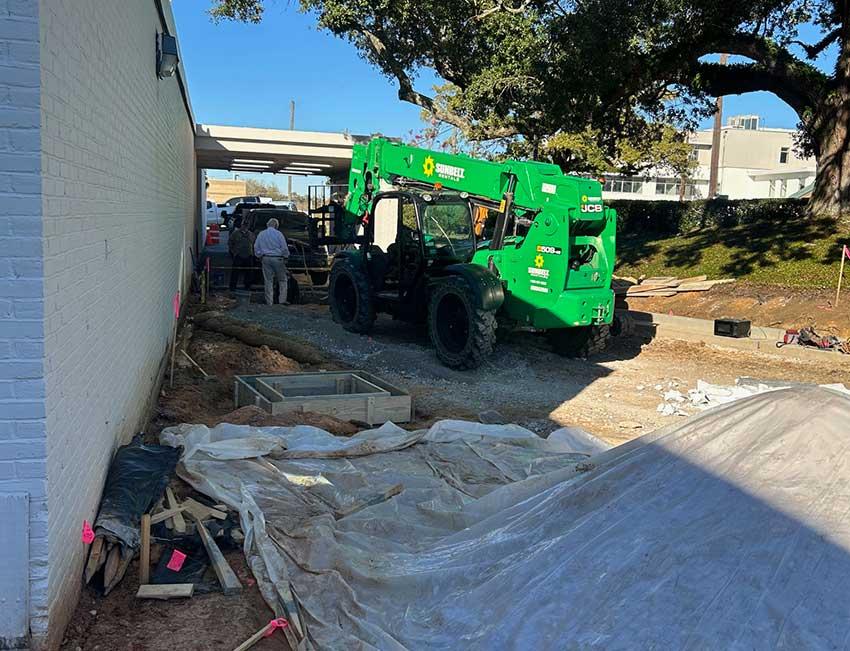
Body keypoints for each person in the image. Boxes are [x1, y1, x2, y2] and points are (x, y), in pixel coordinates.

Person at [254, 217, 290, 305]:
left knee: (268, 281)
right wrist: (286, 256)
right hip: (278, 258)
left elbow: (256, 246)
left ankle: (269, 302)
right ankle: (282, 300)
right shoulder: (279, 234)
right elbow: (284, 248)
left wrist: (259, 255)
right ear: (276, 225)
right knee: (282, 280)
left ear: (267, 224)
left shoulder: (261, 234)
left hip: (265, 258)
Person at [228, 219, 255, 291]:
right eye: (244, 225)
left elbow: (254, 244)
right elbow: (230, 243)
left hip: (249, 255)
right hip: (238, 255)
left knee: (249, 272)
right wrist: (233, 252)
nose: (245, 226)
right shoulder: (235, 233)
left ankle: (247, 286)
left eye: (247, 225)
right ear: (241, 225)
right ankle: (232, 287)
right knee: (235, 272)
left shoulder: (251, 234)